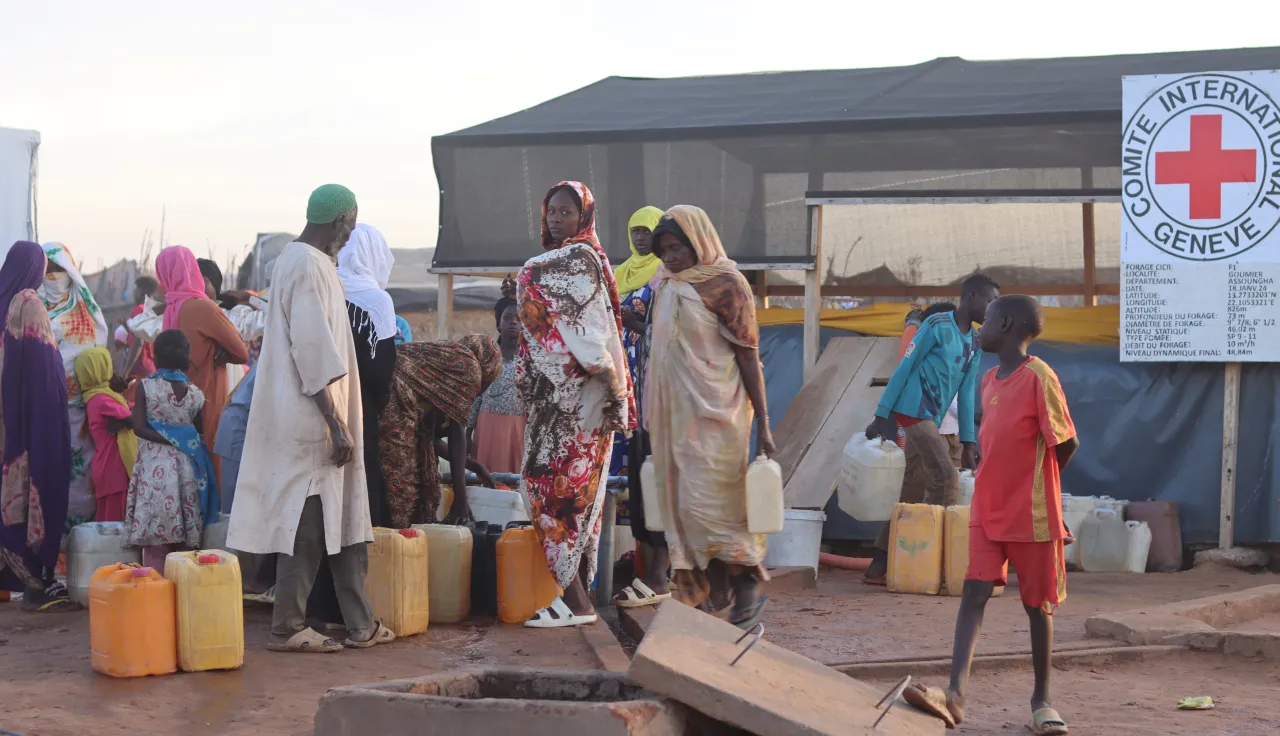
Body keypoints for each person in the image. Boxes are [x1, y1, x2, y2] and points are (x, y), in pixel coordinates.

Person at [227, 183, 391, 653]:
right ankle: (287, 625)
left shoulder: (303, 262)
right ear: (338, 221)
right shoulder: (305, 265)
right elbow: (311, 345)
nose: (350, 234)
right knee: (311, 520)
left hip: (321, 408)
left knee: (343, 515)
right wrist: (333, 420)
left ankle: (361, 623)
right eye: (350, 225)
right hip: (312, 414)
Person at [937, 295, 1077, 735]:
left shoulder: (1040, 376)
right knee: (973, 595)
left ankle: (1042, 702)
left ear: (1009, 324)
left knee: (1039, 608)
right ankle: (955, 694)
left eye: (990, 320)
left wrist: (1033, 484)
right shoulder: (989, 379)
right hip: (987, 508)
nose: (981, 326)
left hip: (1032, 513)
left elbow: (1067, 442)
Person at [645, 206, 774, 628]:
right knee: (684, 510)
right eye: (664, 249)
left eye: (678, 246)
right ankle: (708, 598)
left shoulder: (727, 285)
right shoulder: (665, 284)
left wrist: (766, 426)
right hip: (675, 424)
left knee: (717, 508)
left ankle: (748, 590)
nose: (671, 257)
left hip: (719, 419)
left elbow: (748, 355)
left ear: (698, 241)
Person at [517, 181, 633, 628]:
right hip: (565, 400)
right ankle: (574, 598)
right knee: (572, 495)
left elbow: (591, 336)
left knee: (555, 492)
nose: (556, 218)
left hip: (579, 400)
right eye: (551, 211)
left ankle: (577, 602)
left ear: (583, 216)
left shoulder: (577, 261)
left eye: (566, 212)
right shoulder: (577, 263)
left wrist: (529, 285)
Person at [862, 274, 999, 585]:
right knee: (946, 477)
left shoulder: (974, 344)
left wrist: (968, 441)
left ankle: (880, 564)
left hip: (932, 418)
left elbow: (965, 395)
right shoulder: (937, 324)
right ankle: (930, 559)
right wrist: (882, 414)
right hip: (912, 410)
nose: (991, 310)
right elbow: (905, 367)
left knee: (912, 490)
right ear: (971, 296)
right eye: (990, 301)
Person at [0, 241, 75, 611]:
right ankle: (36, 583)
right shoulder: (29, 302)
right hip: (27, 422)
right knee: (36, 488)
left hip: (5, 424)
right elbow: (44, 367)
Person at [380, 335, 502, 528]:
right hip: (394, 401)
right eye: (488, 383)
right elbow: (457, 435)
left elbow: (432, 441)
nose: (482, 389)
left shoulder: (440, 369)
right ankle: (397, 539)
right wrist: (460, 500)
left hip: (379, 393)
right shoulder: (469, 367)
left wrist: (474, 466)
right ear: (487, 370)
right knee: (401, 490)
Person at [611, 205, 669, 608]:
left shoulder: (666, 277)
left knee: (654, 479)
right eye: (634, 231)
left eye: (646, 231)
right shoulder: (619, 274)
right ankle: (629, 562)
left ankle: (659, 574)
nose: (640, 238)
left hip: (653, 376)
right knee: (627, 472)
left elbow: (664, 326)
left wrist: (637, 326)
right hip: (624, 375)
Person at [124, 330, 219, 572]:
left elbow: (139, 428)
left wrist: (166, 437)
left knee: (155, 539)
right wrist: (178, 437)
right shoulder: (196, 395)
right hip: (187, 469)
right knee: (182, 536)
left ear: (155, 357)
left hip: (153, 470)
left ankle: (155, 590)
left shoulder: (145, 387)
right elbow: (196, 436)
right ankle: (182, 588)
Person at [155, 246, 250, 485]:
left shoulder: (170, 310)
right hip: (206, 399)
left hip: (178, 404)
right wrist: (220, 353)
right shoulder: (203, 307)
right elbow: (241, 352)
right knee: (211, 470)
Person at [38, 242, 108, 527]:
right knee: (47, 475)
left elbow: (95, 353)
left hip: (82, 413)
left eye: (59, 269)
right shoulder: (30, 308)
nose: (53, 276)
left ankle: (80, 540)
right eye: (48, 270)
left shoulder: (86, 312)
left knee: (81, 480)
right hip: (43, 409)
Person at [336, 223, 398, 527]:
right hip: (359, 410)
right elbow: (380, 372)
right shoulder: (376, 301)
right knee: (361, 492)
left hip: (314, 406)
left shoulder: (324, 289)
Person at [75, 347, 137, 523]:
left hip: (111, 468)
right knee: (116, 526)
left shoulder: (97, 396)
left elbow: (128, 412)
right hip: (115, 468)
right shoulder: (101, 399)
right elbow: (134, 419)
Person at [468, 304, 525, 474]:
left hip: (519, 426)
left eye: (518, 319)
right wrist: (467, 433)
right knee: (486, 475)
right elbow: (476, 397)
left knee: (515, 478)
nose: (513, 323)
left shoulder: (529, 361)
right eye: (507, 318)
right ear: (499, 325)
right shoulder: (488, 358)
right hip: (487, 425)